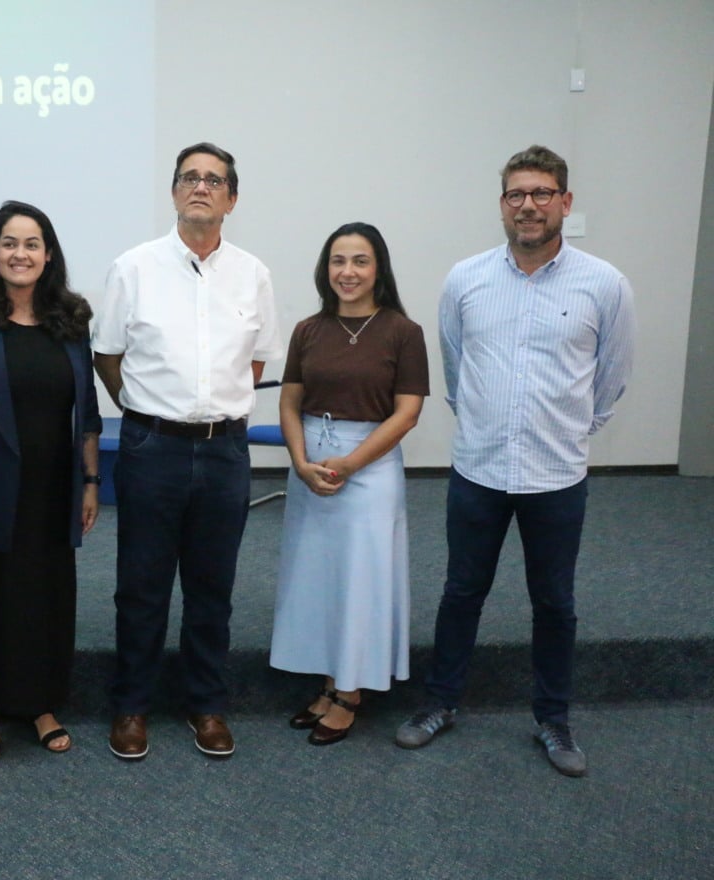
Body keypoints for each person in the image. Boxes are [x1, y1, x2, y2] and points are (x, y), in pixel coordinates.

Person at [395, 145, 636, 777]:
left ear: (565, 202)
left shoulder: (605, 284)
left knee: (554, 602)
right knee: (461, 592)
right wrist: (485, 424)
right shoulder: (466, 279)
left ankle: (553, 719)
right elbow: (456, 370)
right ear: (502, 204)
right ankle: (440, 703)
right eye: (516, 195)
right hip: (479, 469)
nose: (528, 205)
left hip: (557, 476)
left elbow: (611, 378)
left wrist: (572, 432)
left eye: (542, 193)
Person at [93, 142, 282, 760]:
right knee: (141, 587)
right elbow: (108, 355)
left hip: (225, 451)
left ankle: (206, 704)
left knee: (211, 587)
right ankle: (132, 705)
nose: (201, 187)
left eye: (214, 180)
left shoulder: (254, 274)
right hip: (153, 448)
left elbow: (255, 362)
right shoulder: (134, 268)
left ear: (232, 198)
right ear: (174, 191)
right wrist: (144, 410)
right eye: (190, 177)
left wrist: (214, 407)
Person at [0, 201, 102, 761]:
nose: (20, 254)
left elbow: (87, 411)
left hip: (52, 488)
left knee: (46, 595)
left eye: (31, 244)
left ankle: (41, 702)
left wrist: (91, 482)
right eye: (9, 243)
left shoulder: (71, 318)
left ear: (48, 254)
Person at [268, 223, 429, 745]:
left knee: (361, 579)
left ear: (378, 269)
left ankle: (350, 692)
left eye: (360, 261)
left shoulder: (403, 332)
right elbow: (289, 401)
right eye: (338, 261)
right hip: (311, 465)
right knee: (318, 577)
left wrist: (352, 464)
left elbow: (407, 413)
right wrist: (300, 461)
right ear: (326, 269)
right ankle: (328, 681)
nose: (348, 272)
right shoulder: (308, 330)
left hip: (370, 466)